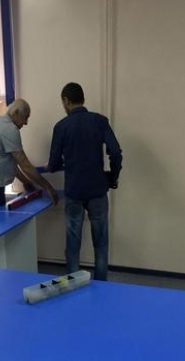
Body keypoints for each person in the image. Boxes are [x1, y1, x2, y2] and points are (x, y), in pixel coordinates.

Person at [46, 83, 122, 281]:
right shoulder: (100, 121)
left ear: (66, 101)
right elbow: (115, 153)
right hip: (98, 191)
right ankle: (102, 287)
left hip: (74, 193)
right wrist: (112, 178)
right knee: (101, 244)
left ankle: (74, 287)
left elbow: (53, 164)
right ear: (83, 99)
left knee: (73, 245)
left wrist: (59, 163)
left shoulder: (61, 127)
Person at [0, 99, 59, 215]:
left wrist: (25, 181)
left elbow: (11, 163)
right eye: (25, 117)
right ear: (16, 113)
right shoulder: (9, 129)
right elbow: (25, 165)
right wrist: (49, 188)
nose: (26, 123)